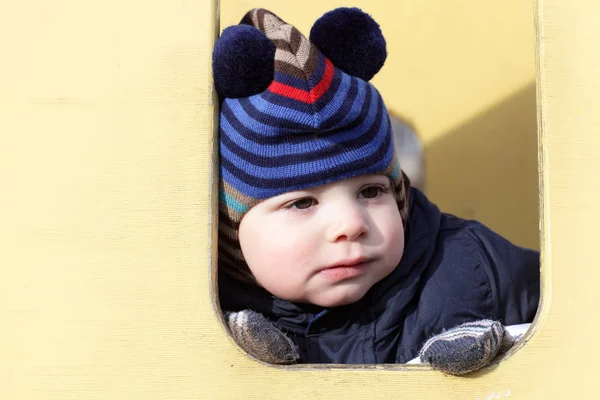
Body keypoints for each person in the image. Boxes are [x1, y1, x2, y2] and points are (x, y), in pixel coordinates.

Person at [212, 7, 540, 374]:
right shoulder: (194, 310)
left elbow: (578, 316)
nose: (351, 224)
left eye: (370, 192)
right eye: (302, 202)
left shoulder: (472, 262)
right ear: (231, 230)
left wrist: (516, 345)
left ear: (399, 193)